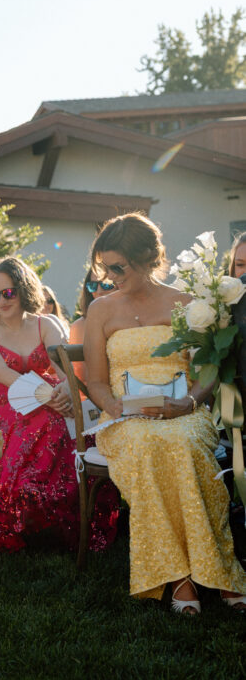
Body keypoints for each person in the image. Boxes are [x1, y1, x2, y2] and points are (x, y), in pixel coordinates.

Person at [84, 212, 246, 614]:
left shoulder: (188, 304)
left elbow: (208, 371)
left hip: (183, 409)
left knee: (184, 442)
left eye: (118, 267)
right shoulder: (100, 311)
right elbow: (97, 383)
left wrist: (188, 402)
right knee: (147, 444)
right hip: (125, 418)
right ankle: (180, 576)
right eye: (105, 268)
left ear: (146, 258)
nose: (110, 276)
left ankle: (217, 569)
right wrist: (114, 406)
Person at [0, 257, 81, 553]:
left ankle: (50, 517)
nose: (2, 300)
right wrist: (52, 397)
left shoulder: (46, 323)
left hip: (47, 398)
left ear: (24, 289)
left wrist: (66, 389)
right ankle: (15, 515)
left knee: (57, 423)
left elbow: (65, 368)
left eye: (9, 292)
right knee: (21, 427)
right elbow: (1, 373)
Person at [69, 269, 117, 382]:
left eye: (106, 285)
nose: (99, 291)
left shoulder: (134, 318)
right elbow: (82, 375)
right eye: (93, 286)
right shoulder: (80, 326)